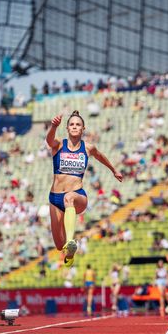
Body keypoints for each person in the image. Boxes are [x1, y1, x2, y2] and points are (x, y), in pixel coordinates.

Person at [46, 110, 123, 267]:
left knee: (69, 197)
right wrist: (53, 127)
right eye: (72, 124)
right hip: (55, 198)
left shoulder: (88, 148)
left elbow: (100, 156)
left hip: (77, 196)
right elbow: (49, 141)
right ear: (67, 128)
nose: (75, 127)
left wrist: (114, 170)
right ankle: (69, 251)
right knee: (59, 245)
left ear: (83, 128)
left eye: (78, 124)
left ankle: (71, 241)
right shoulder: (60, 144)